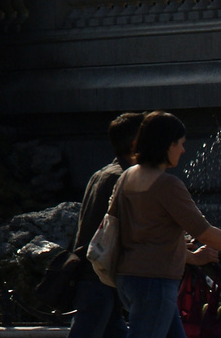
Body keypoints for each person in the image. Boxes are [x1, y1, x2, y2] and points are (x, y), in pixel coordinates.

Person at [115, 111, 221, 338]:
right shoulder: (167, 185)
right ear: (166, 144)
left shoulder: (127, 176)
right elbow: (205, 233)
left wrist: (190, 256)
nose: (183, 150)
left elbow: (130, 229)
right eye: (180, 144)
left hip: (128, 277)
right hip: (155, 280)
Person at [65, 112, 144, 338]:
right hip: (100, 274)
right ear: (135, 144)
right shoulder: (123, 178)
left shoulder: (102, 173)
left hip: (95, 272)